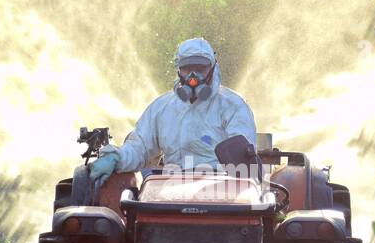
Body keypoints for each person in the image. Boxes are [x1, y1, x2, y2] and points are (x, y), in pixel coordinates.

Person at [90, 37, 256, 186]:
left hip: (222, 192)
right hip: (168, 191)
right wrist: (115, 157)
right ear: (178, 70)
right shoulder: (162, 108)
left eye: (200, 68)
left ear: (213, 68)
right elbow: (139, 148)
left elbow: (242, 162)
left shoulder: (233, 106)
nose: (193, 76)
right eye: (187, 69)